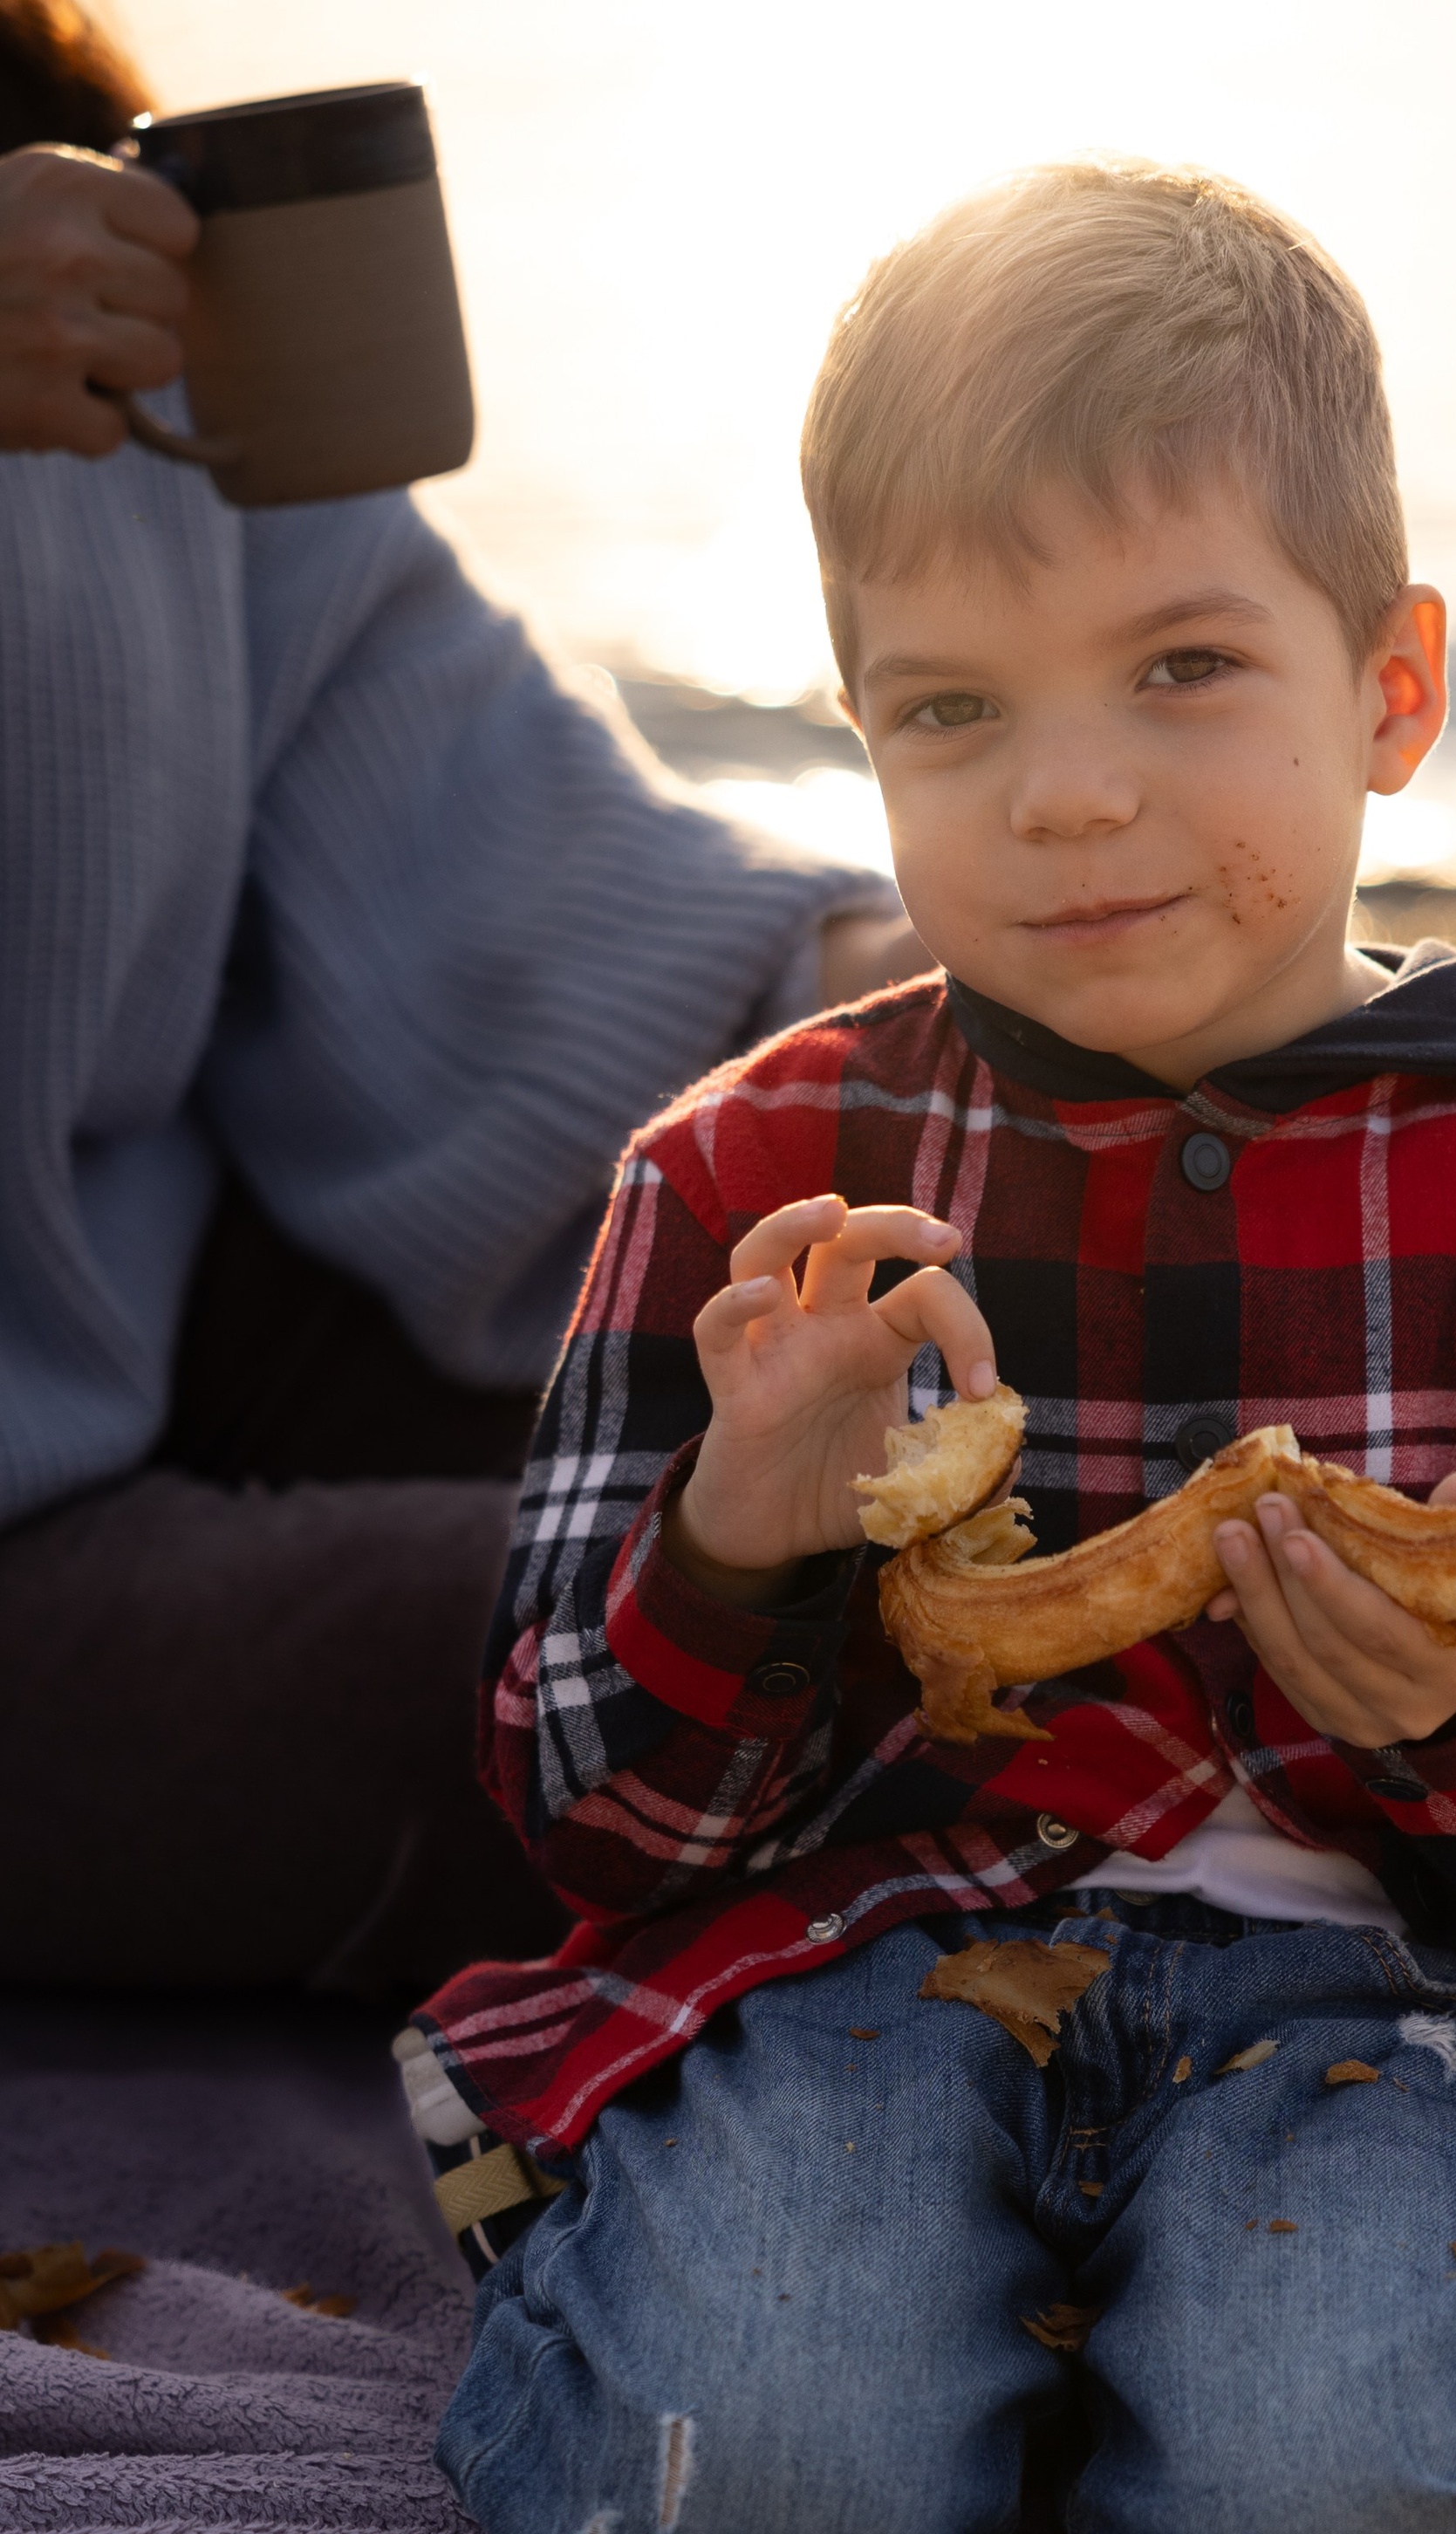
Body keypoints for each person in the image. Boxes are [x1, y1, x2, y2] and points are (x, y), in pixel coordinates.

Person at [409, 161, 1456, 2534]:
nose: (1066, 795)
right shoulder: (751, 1184)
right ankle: (883, 2356)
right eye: (952, 706)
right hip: (862, 1966)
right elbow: (588, 1821)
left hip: (1397, 1989)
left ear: (1395, 691)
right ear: (856, 720)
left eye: (1183, 667)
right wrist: (744, 1524)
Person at [0, 1, 921, 2000]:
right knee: (726, 1677)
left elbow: (440, 778)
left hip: (150, 1311)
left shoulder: (98, 217)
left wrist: (930, 984)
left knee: (919, 1444)